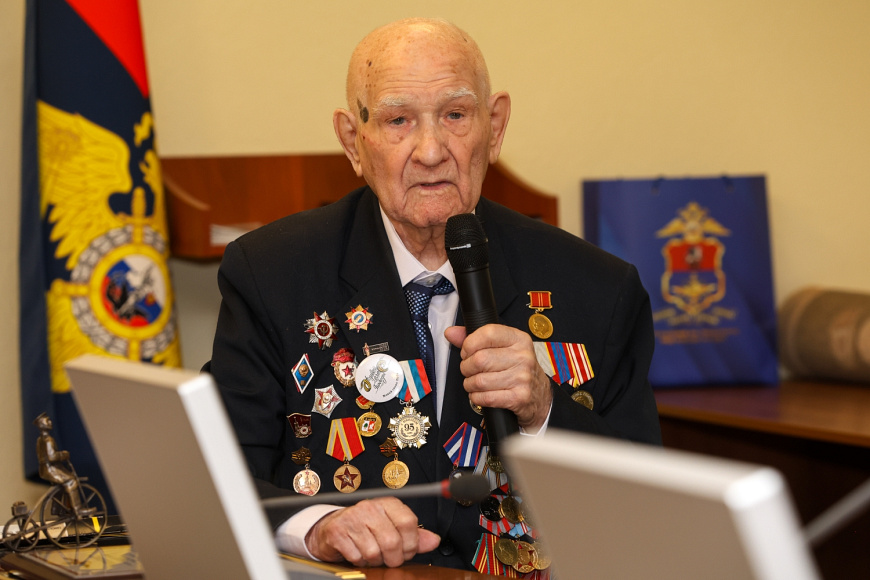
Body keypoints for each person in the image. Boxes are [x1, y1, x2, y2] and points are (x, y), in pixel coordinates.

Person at [205, 17, 661, 573]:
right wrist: (317, 528)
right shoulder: (272, 273)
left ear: (494, 127)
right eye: (398, 120)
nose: (430, 151)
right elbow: (215, 474)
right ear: (353, 141)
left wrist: (544, 411)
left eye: (455, 115)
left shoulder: (598, 289)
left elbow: (649, 509)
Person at [34, 413, 94, 518]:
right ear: (42, 425)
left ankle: (56, 509)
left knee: (61, 485)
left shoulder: (40, 439)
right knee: (71, 481)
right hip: (50, 469)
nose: (50, 422)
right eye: (47, 421)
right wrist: (64, 454)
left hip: (45, 469)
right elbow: (52, 457)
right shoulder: (48, 440)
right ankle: (78, 510)